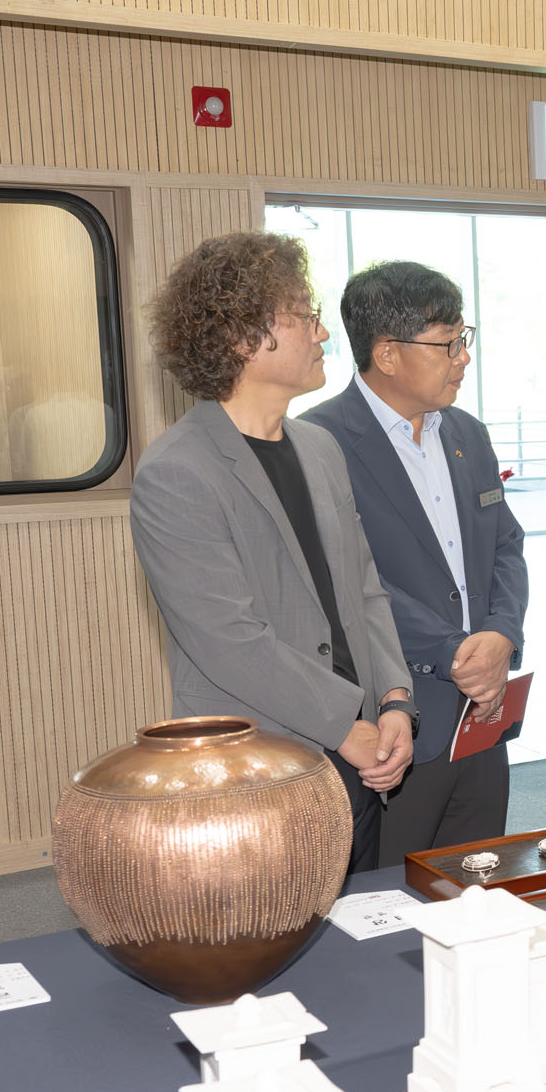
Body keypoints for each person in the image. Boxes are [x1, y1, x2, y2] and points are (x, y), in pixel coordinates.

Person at [130, 232, 417, 874]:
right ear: (242, 337)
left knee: (361, 918)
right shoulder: (177, 470)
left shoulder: (319, 447)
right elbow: (229, 641)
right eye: (306, 316)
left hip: (359, 750)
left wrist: (395, 698)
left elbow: (364, 589)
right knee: (270, 926)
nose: (323, 333)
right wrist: (346, 727)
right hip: (257, 761)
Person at [303, 261, 527, 863]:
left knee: (478, 881)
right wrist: (453, 650)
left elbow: (505, 545)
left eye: (463, 339)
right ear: (387, 353)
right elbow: (344, 582)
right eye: (447, 343)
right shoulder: (318, 443)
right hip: (393, 722)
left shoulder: (467, 434)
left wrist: (501, 635)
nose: (463, 357)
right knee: (390, 898)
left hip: (482, 711)